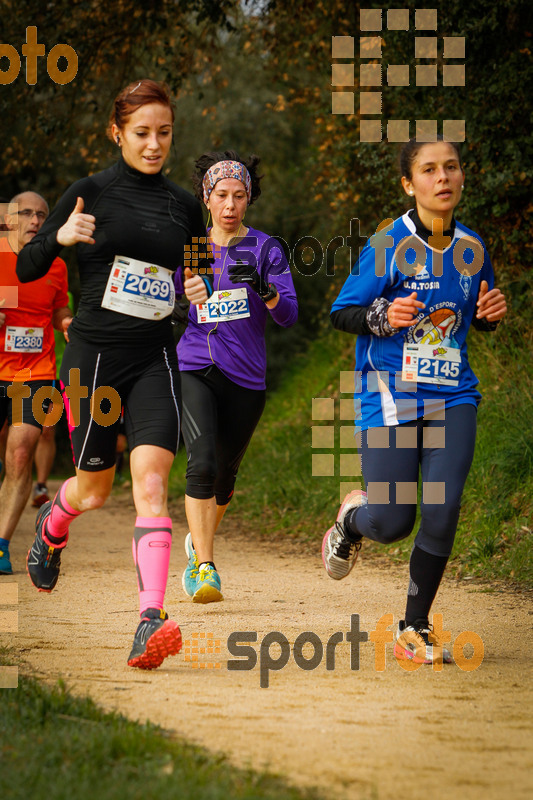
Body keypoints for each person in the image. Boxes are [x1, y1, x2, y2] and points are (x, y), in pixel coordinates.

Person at [17, 79, 205, 669]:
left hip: (156, 357)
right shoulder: (90, 191)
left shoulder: (185, 205)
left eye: (164, 133)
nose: (154, 145)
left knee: (151, 486)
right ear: (117, 132)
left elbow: (196, 277)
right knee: (95, 491)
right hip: (93, 358)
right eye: (142, 133)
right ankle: (55, 519)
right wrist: (59, 236)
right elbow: (27, 267)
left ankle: (150, 620)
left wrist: (197, 290)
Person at [322, 137, 507, 665]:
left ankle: (414, 625)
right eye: (429, 169)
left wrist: (491, 314)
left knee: (444, 507)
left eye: (451, 167)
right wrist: (383, 317)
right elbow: (342, 311)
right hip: (391, 396)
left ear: (462, 177)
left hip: (454, 395)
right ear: (410, 184)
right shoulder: (387, 245)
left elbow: (475, 313)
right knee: (392, 522)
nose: (442, 177)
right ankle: (352, 520)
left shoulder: (472, 248)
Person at [174, 151, 298, 603]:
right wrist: (184, 299)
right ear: (206, 198)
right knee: (201, 462)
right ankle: (204, 567)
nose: (230, 204)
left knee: (224, 478)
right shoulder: (191, 247)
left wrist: (264, 289)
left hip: (246, 377)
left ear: (249, 198)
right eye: (221, 195)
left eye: (239, 195)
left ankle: (197, 544)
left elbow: (289, 314)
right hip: (195, 365)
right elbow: (169, 308)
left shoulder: (266, 248)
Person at [0, 192, 71, 575]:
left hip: (35, 372)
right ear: (9, 219)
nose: (34, 220)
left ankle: (1, 545)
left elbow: (58, 306)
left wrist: (66, 323)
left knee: (21, 453)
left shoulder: (56, 267)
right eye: (26, 212)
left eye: (42, 214)